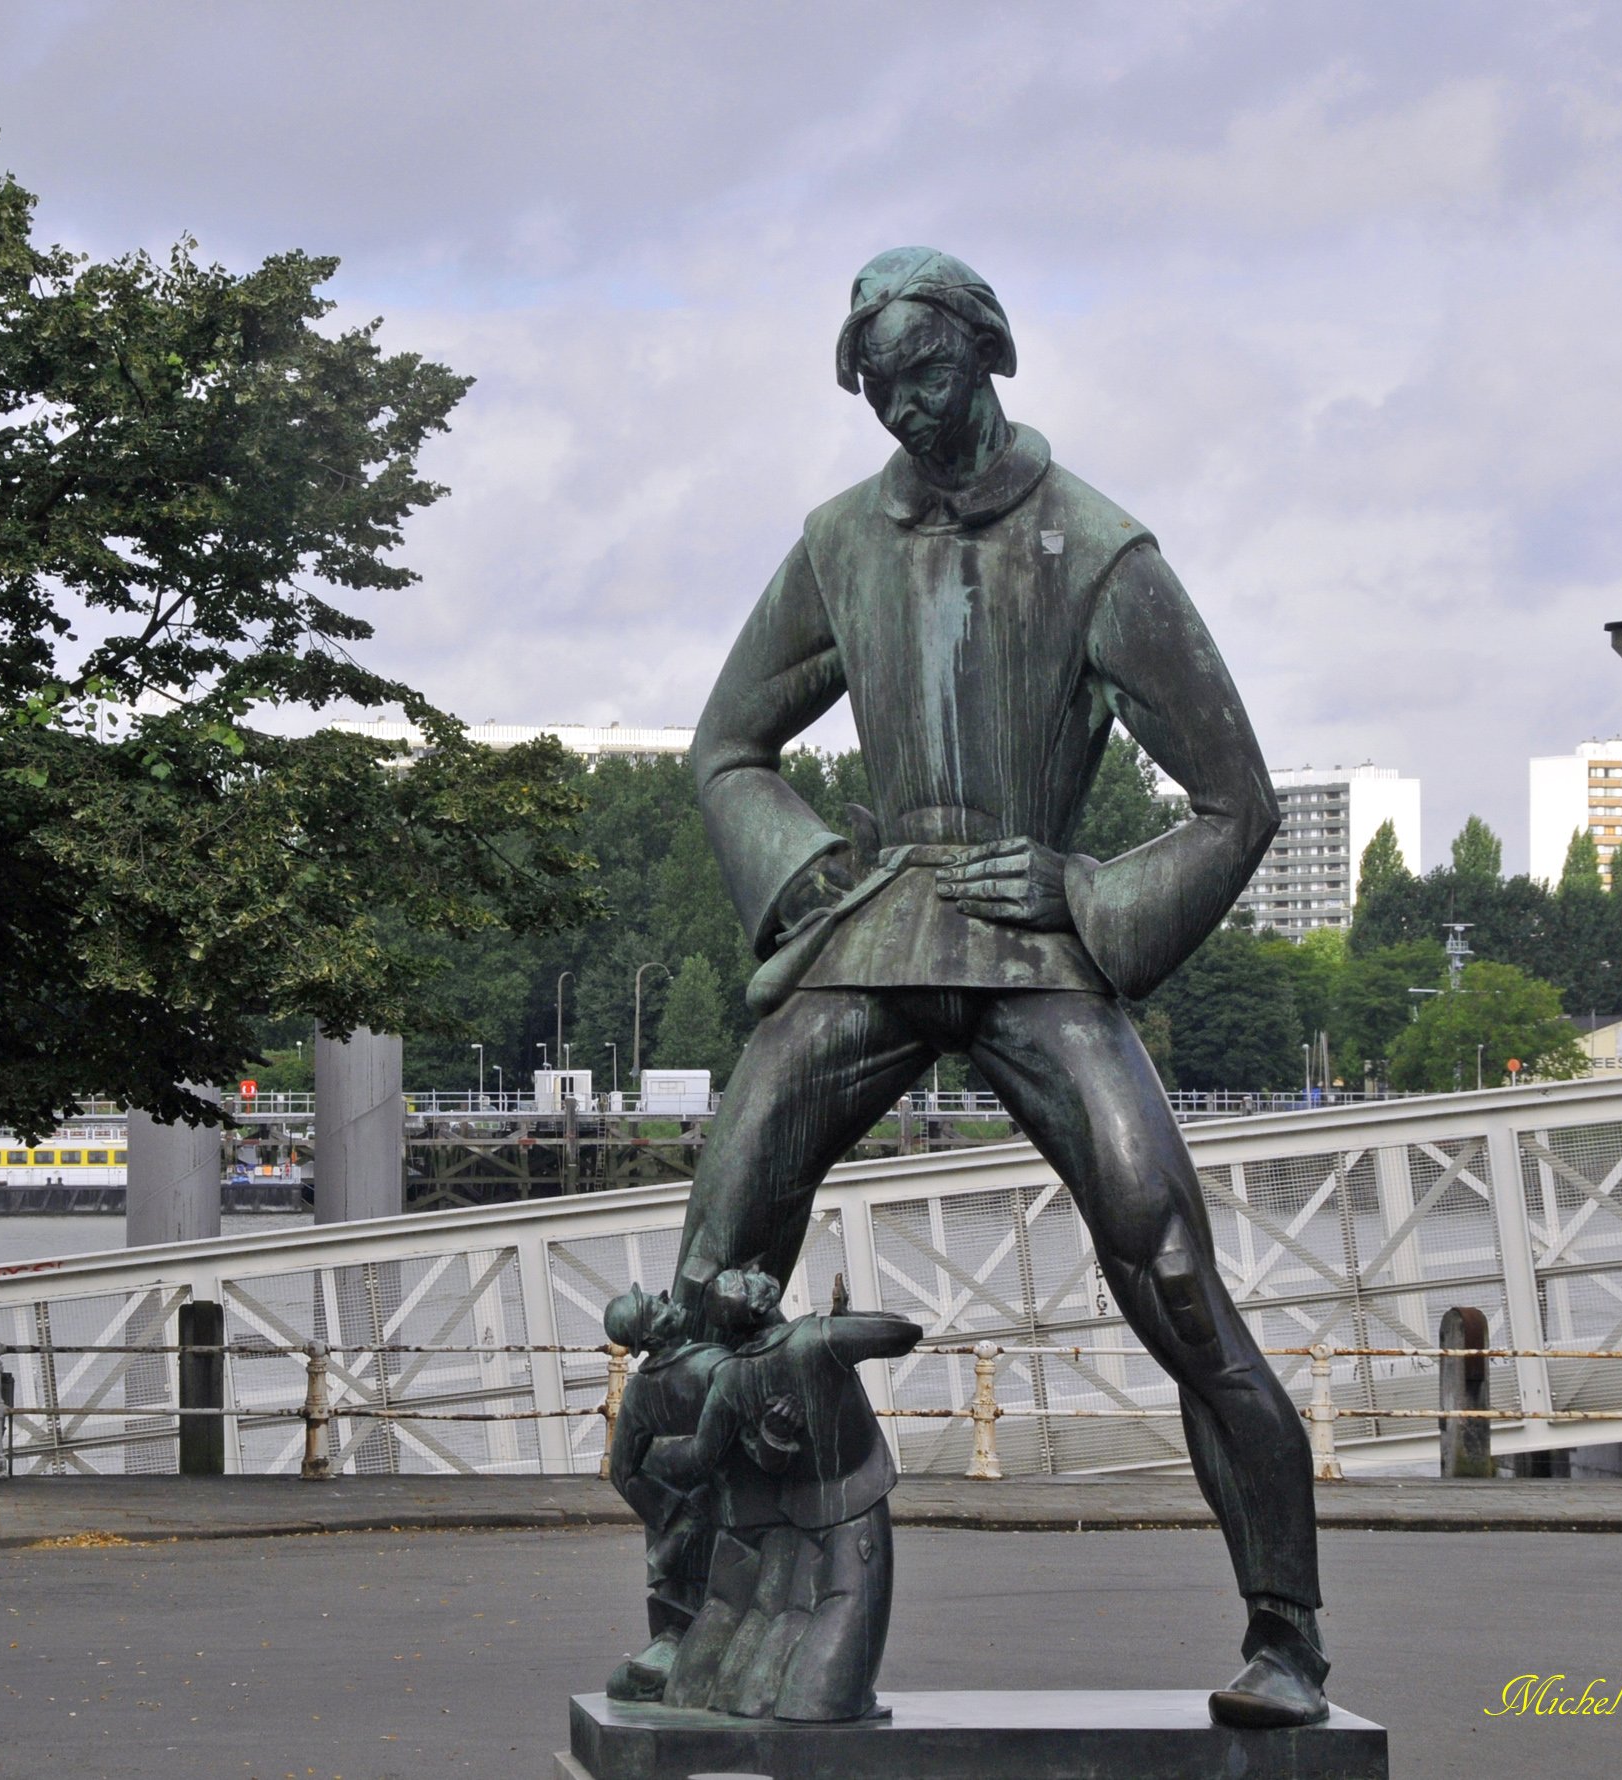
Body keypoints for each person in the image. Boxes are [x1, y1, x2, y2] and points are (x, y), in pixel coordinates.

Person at [673, 246, 1327, 1729]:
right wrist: (809, 873)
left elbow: (1237, 800)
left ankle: (1287, 1633)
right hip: (882, 935)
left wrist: (1088, 895)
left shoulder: (1096, 549)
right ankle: (687, 1619)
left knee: (1169, 1272)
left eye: (931, 375)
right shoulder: (840, 543)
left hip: (1035, 956)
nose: (908, 409)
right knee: (714, 1256)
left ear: (992, 355)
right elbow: (726, 748)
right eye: (882, 388)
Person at [642, 1268, 920, 1722]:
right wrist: (846, 1320)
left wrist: (771, 1437)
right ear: (759, 1302)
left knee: (789, 1618)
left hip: (795, 1513)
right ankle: (827, 1702)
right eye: (747, 1276)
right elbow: (904, 1332)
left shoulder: (731, 1376)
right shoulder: (816, 1338)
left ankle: (761, 1699)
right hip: (856, 1501)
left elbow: (754, 1459)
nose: (755, 1270)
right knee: (848, 1624)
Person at [600, 1285, 725, 1701]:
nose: (665, 1294)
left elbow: (622, 1470)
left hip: (674, 1521)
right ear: (650, 1336)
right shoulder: (713, 1364)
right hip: (723, 1507)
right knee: (723, 1601)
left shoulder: (638, 1390)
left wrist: (670, 1511)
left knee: (685, 1603)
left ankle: (674, 1661)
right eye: (655, 1304)